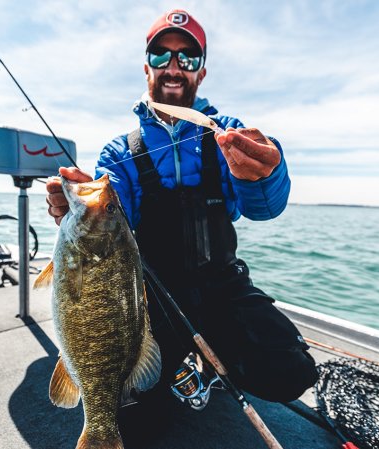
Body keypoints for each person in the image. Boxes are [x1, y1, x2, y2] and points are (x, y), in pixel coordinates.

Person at [46, 9, 318, 405]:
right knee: (134, 402)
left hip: (222, 283)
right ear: (147, 68)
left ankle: (213, 362)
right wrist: (74, 209)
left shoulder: (225, 130)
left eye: (187, 58)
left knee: (290, 374)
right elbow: (114, 207)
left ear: (201, 72)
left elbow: (263, 209)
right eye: (162, 56)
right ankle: (178, 369)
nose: (174, 67)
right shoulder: (121, 150)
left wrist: (264, 174)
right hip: (153, 291)